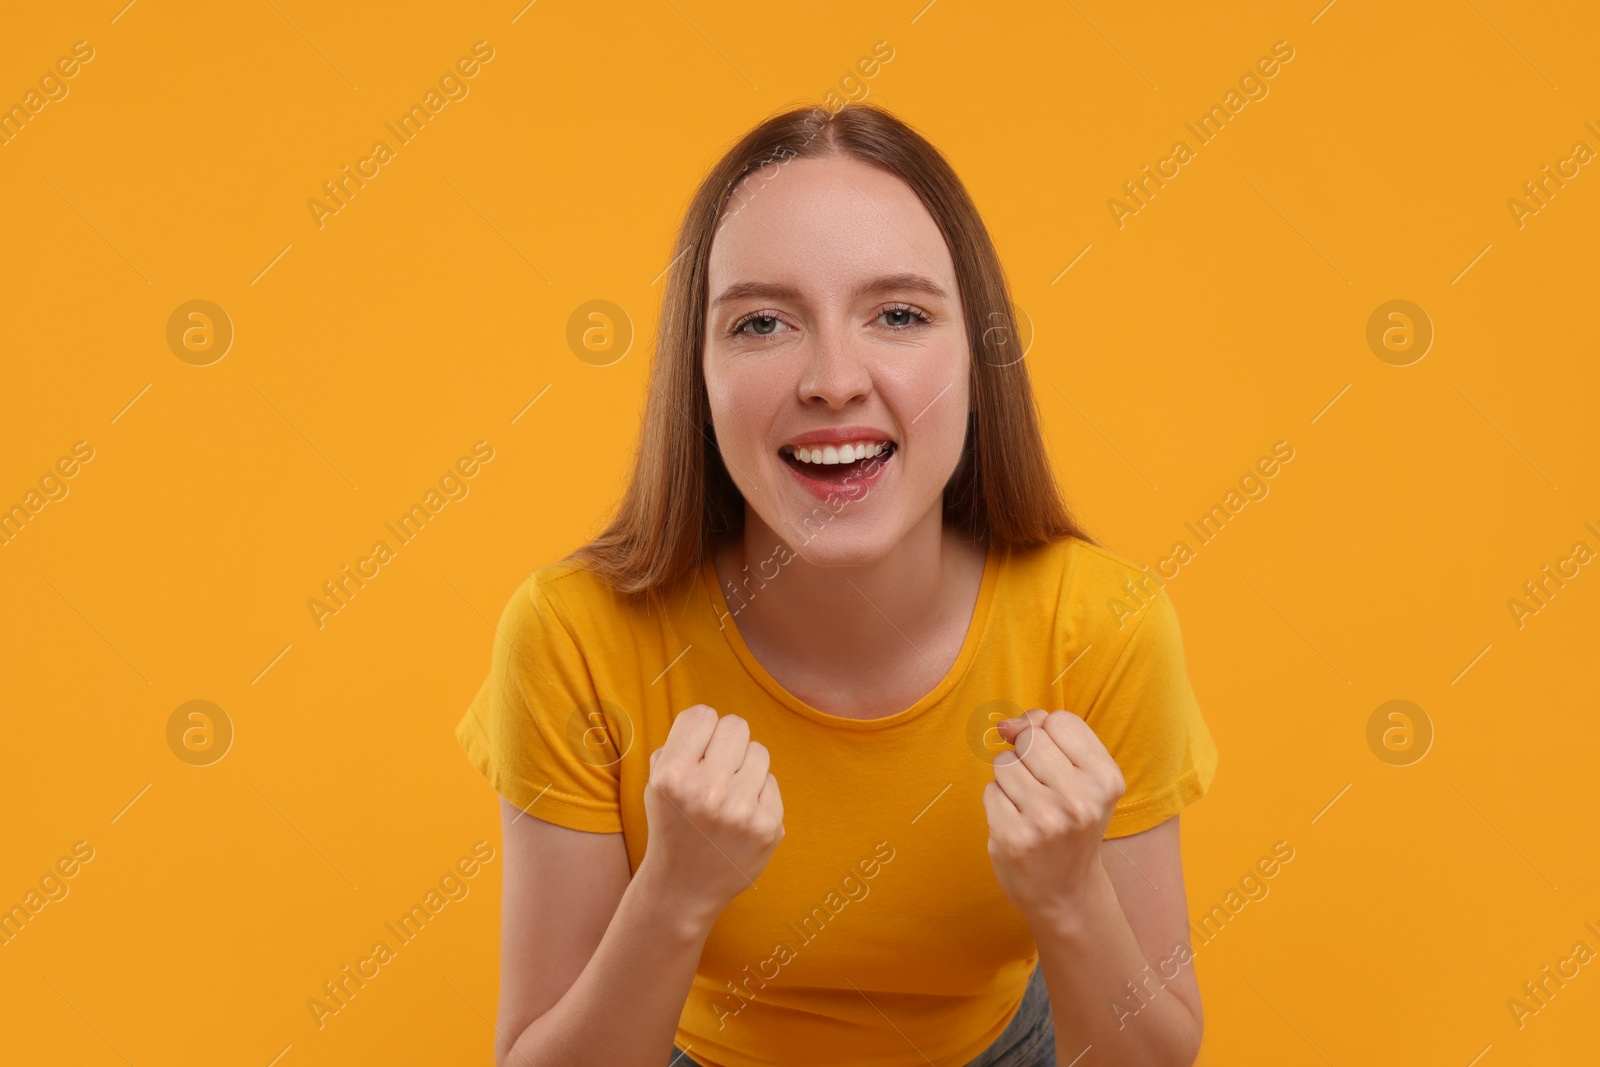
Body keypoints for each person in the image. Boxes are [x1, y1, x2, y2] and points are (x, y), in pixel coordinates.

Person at [455, 102, 1218, 1067]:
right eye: (763, 322)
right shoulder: (570, 634)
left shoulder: (1106, 626)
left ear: (978, 356)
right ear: (696, 373)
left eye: (898, 314)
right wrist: (674, 895)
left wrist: (1070, 899)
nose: (832, 379)